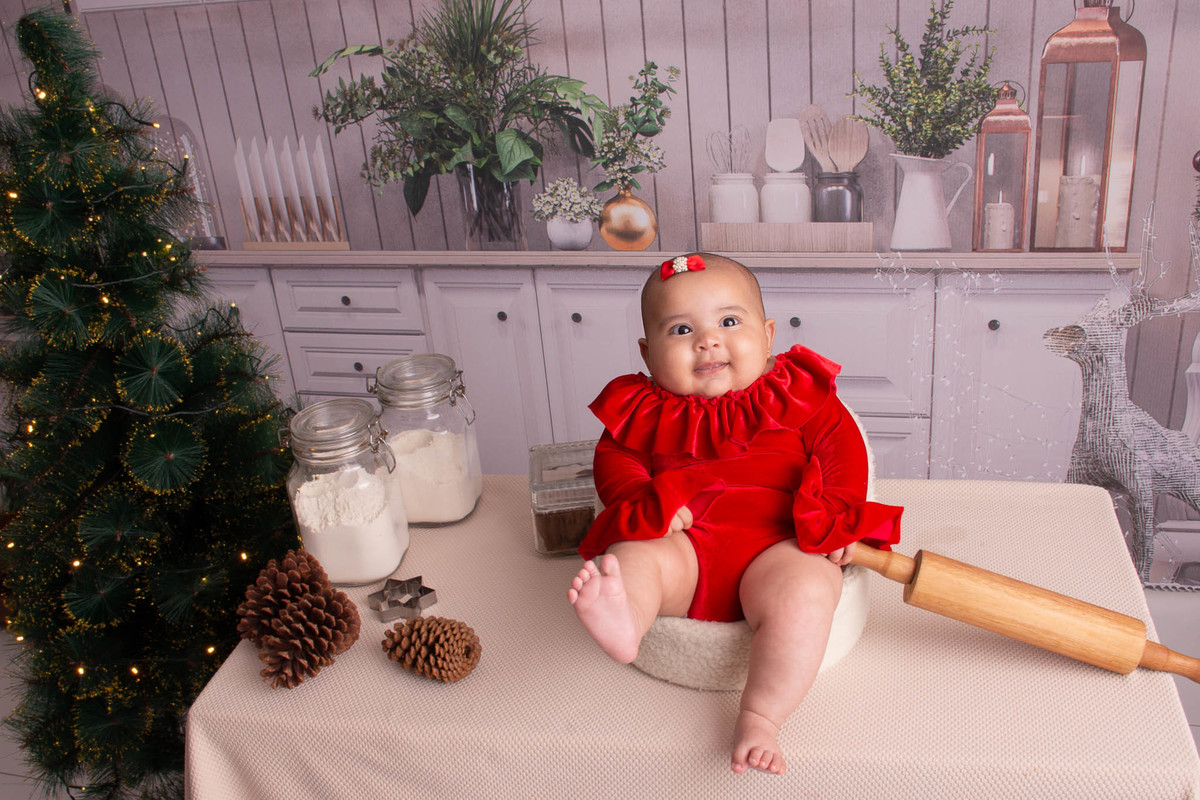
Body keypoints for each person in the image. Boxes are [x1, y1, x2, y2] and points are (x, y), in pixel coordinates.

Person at [567, 253, 902, 775]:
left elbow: (843, 452)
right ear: (648, 353)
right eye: (681, 329)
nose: (708, 341)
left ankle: (761, 716)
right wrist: (647, 503)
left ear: (767, 336)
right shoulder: (643, 408)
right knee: (634, 555)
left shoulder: (796, 394)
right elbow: (615, 462)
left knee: (808, 590)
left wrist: (837, 514)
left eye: (728, 321)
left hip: (779, 548)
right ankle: (627, 617)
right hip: (685, 550)